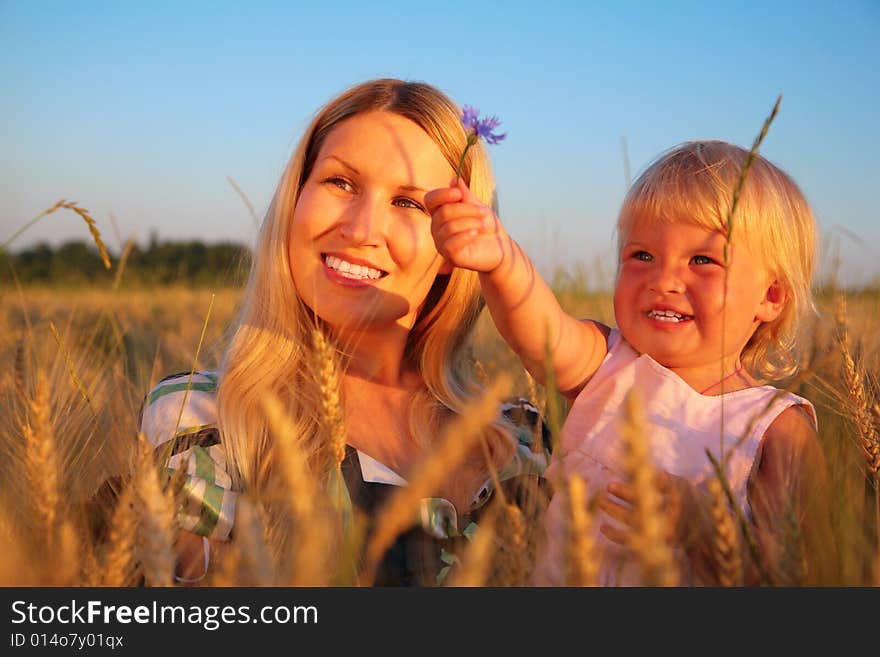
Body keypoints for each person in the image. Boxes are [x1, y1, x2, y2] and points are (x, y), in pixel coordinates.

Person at [137, 79, 549, 586]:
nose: (360, 229)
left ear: (458, 244)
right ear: (295, 200)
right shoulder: (204, 421)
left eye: (410, 203)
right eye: (341, 183)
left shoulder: (522, 435)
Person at [427, 139, 834, 585]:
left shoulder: (777, 429)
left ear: (770, 296)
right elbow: (541, 330)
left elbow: (807, 573)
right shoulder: (608, 365)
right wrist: (499, 258)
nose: (663, 280)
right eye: (642, 256)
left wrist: (702, 529)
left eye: (703, 260)